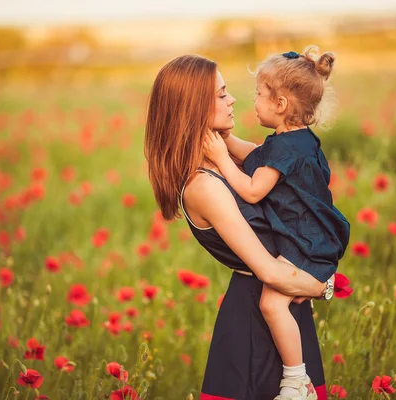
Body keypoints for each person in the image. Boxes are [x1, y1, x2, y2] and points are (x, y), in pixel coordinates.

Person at [144, 54, 331, 400]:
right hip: (256, 322)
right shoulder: (204, 187)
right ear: (193, 108)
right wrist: (324, 286)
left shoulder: (222, 161)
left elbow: (277, 165)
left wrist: (224, 141)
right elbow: (268, 271)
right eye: (221, 94)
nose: (232, 100)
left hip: (284, 306)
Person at [203, 46, 350, 399]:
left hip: (306, 243)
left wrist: (221, 159)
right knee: (276, 303)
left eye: (258, 94)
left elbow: (253, 190)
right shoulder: (295, 141)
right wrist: (224, 140)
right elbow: (255, 154)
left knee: (272, 303)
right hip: (313, 237)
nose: (249, 100)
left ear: (280, 104)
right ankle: (296, 376)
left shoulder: (285, 149)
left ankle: (296, 380)